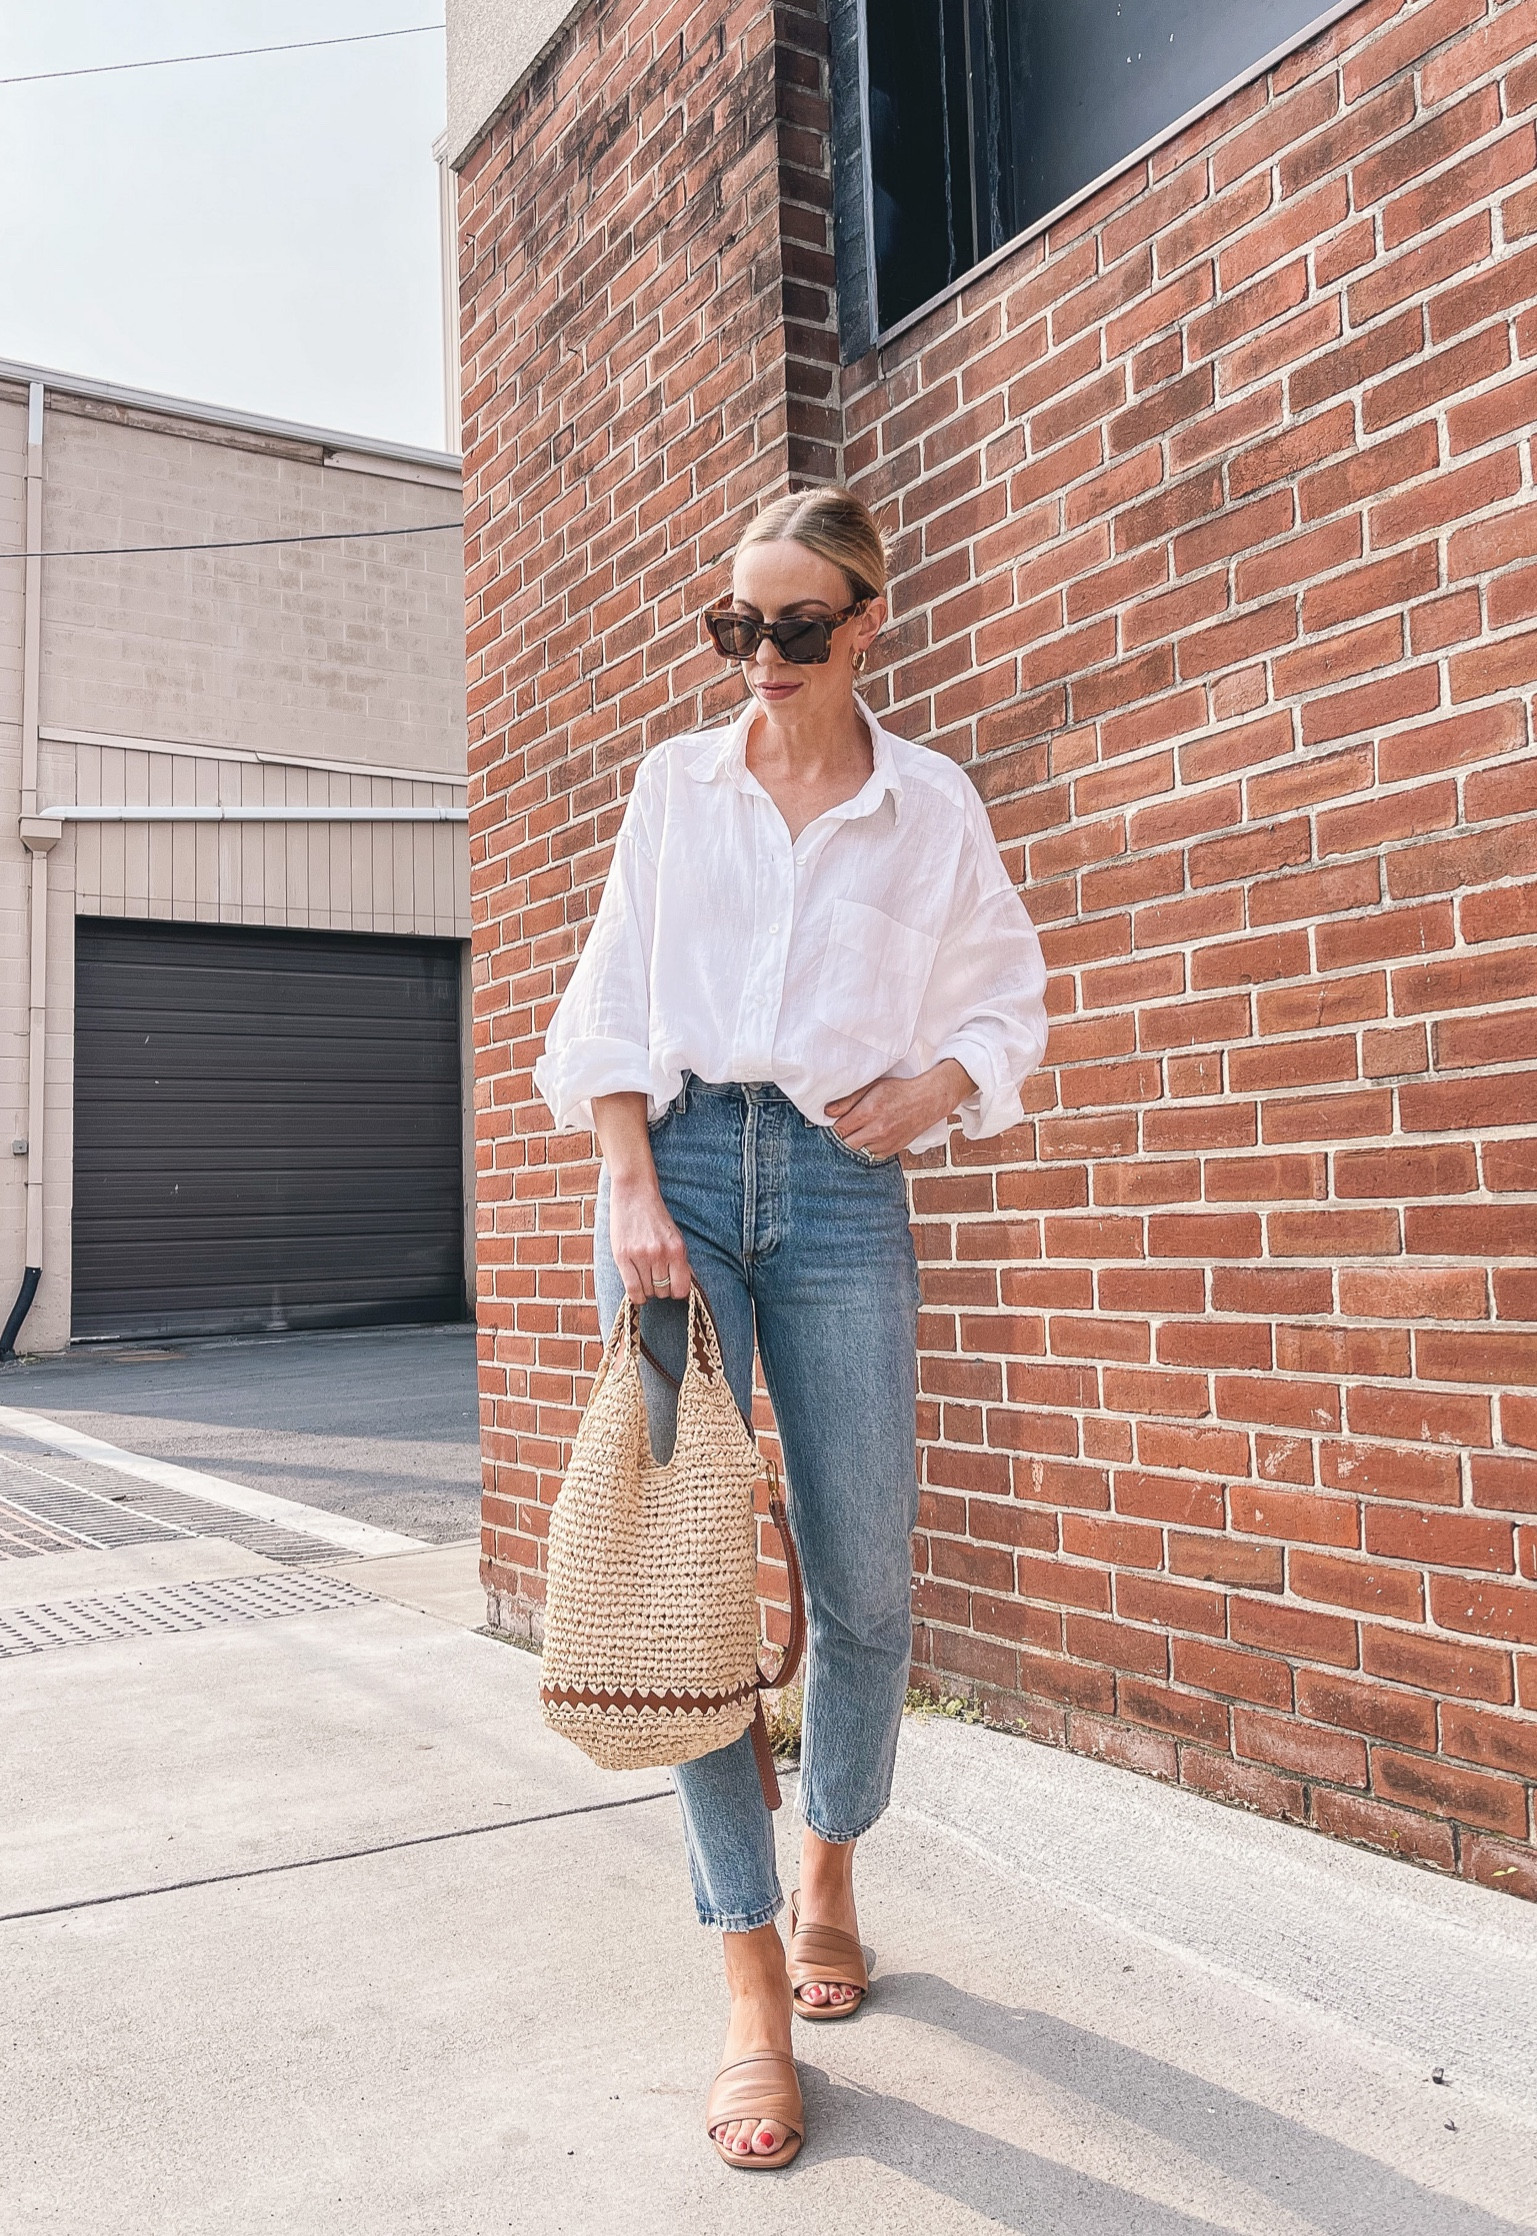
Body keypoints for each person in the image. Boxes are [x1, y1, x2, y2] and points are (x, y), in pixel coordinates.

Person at [532, 484, 1049, 2172]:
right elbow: (609, 993)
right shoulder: (676, 788)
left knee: (868, 1578)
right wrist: (626, 1189)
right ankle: (748, 1973)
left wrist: (945, 1082)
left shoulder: (929, 805)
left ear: (863, 625)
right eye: (734, 626)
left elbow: (1005, 992)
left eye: (795, 625)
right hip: (674, 1174)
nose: (760, 656)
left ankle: (829, 1854)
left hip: (837, 1186)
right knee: (686, 1592)